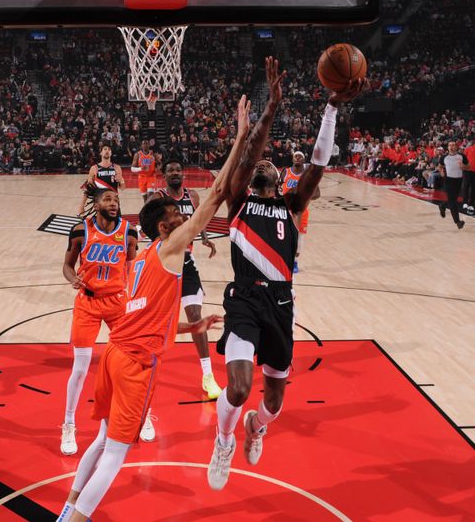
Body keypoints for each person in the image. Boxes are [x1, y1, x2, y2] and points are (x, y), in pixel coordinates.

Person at [57, 94, 251, 522]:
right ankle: (76, 519)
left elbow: (144, 317)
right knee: (118, 453)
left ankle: (68, 506)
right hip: (135, 366)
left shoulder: (143, 258)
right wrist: (239, 137)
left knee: (102, 439)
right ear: (165, 226)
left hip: (114, 354)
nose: (185, 216)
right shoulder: (171, 246)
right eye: (178, 216)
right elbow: (217, 193)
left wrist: (191, 329)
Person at [207, 57, 367, 490]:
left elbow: (317, 163)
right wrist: (272, 107)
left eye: (269, 167)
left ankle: (256, 426)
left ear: (279, 179)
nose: (262, 166)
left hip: (280, 303)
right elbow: (251, 149)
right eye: (258, 164)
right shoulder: (238, 198)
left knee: (273, 402)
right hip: (242, 298)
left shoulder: (291, 206)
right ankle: (223, 440)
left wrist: (331, 109)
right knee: (238, 389)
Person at [61, 184, 138, 456]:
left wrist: (131, 290)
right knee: (81, 369)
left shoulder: (129, 231)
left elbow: (131, 262)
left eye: (116, 199)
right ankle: (69, 424)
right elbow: (67, 265)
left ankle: (144, 412)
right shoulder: (81, 230)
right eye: (108, 198)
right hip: (88, 302)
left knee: (132, 361)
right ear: (96, 203)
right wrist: (73, 279)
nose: (114, 203)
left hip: (117, 302)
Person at [147, 160, 223, 400]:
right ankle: (146, 368)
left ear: (183, 173)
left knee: (194, 316)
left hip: (187, 264)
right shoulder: (157, 198)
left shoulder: (193, 196)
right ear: (165, 175)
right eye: (170, 170)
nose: (175, 173)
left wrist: (205, 238)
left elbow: (198, 221)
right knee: (157, 320)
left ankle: (208, 375)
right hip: (165, 265)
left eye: (178, 170)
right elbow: (146, 223)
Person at [279, 150, 320, 273]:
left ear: (303, 160)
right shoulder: (285, 172)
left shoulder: (308, 176)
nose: (297, 158)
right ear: (292, 159)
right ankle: (282, 260)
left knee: (299, 238)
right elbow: (277, 188)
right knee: (283, 236)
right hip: (285, 209)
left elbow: (317, 193)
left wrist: (304, 196)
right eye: (295, 156)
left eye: (300, 156)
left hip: (301, 210)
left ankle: (295, 262)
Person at [76, 144, 126, 216]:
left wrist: (121, 180)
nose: (107, 151)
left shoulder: (117, 168)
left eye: (109, 150)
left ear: (111, 153)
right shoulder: (94, 168)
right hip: (100, 204)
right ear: (101, 153)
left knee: (117, 226)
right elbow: (88, 189)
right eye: (105, 149)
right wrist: (81, 206)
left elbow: (123, 188)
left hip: (114, 203)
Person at [437, 142, 467, 230]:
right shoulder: (444, 157)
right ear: (448, 147)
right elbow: (440, 166)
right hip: (449, 180)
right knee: (453, 201)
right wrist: (441, 171)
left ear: (456, 147)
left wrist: (464, 166)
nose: (451, 147)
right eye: (449, 145)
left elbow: (469, 166)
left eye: (453, 145)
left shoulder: (462, 156)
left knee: (453, 200)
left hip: (459, 180)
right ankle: (457, 222)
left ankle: (442, 205)